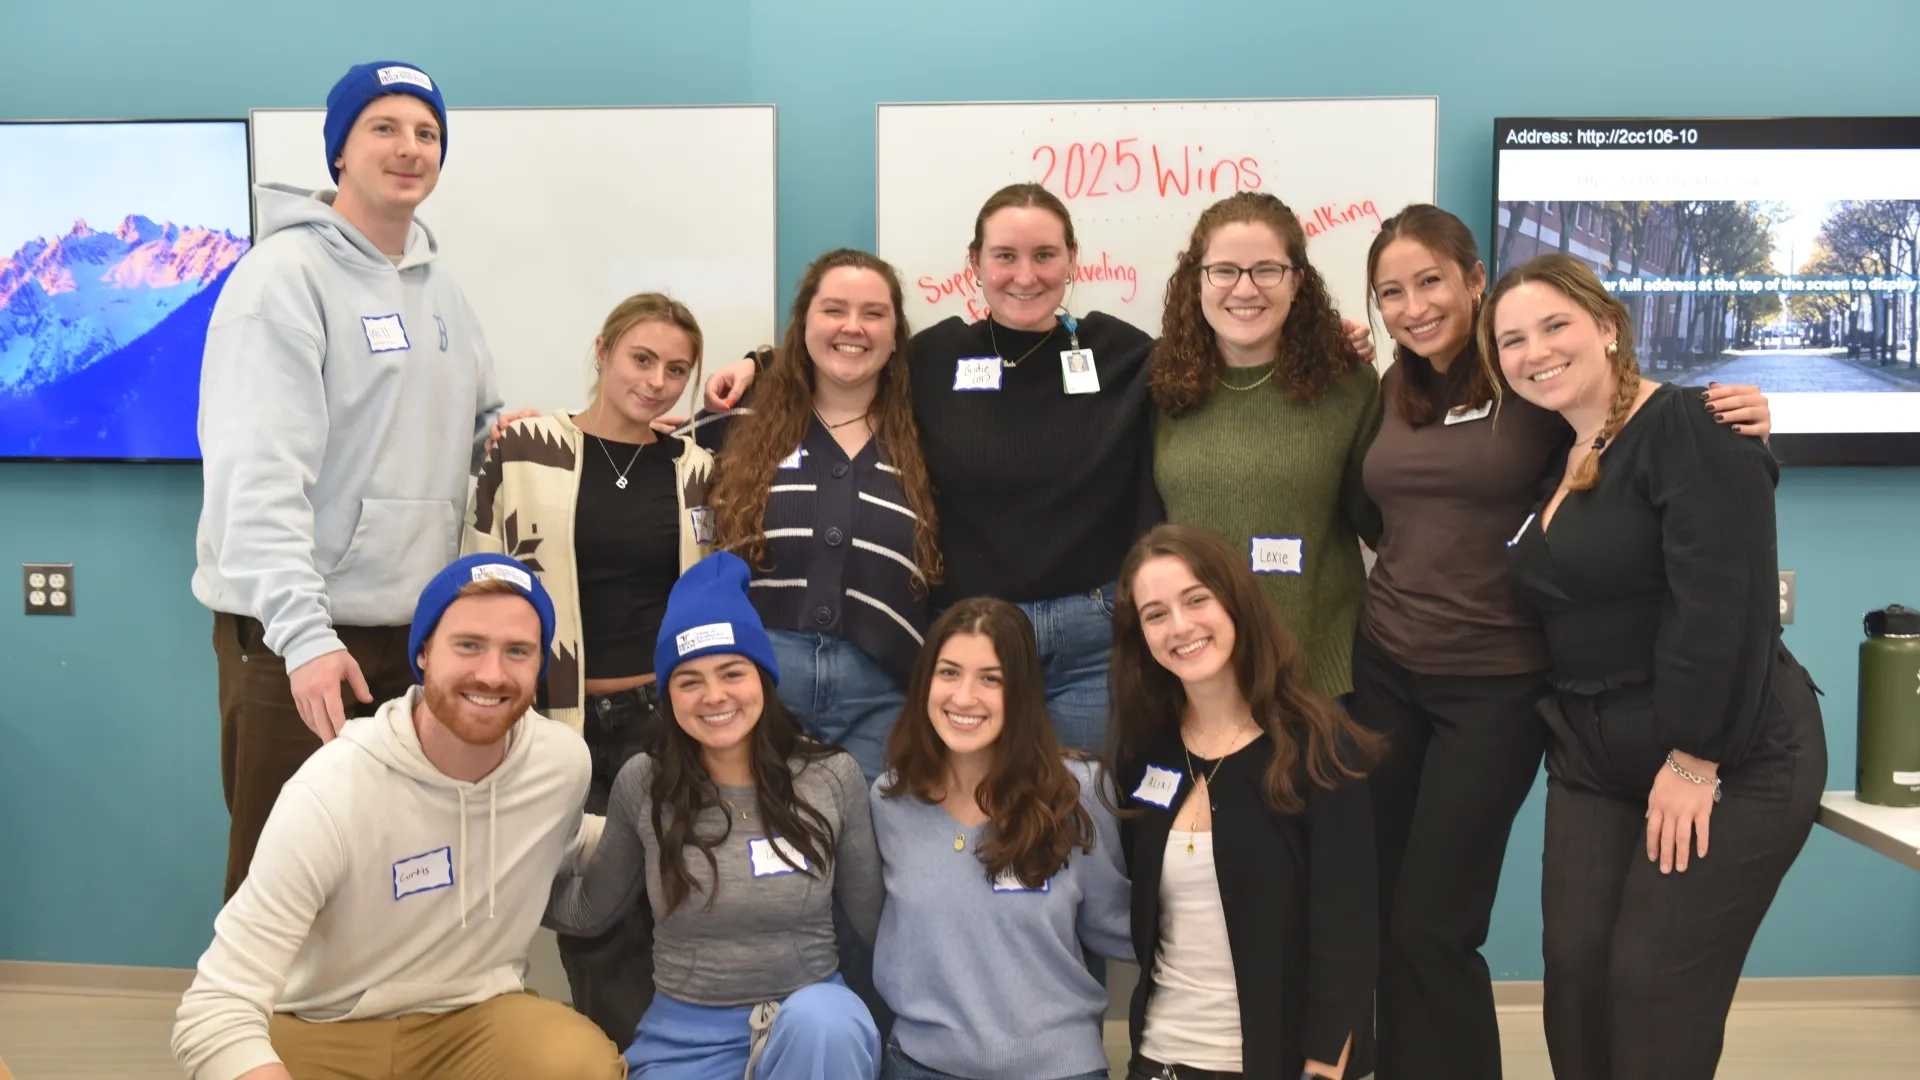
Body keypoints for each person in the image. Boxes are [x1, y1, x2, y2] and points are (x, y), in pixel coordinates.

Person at [704, 185, 1375, 753]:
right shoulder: (933, 359)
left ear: (1072, 261)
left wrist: (1323, 338)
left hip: (1094, 641)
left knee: (1089, 822)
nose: (1025, 274)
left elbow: (1232, 336)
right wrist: (762, 363)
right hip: (975, 639)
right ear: (976, 262)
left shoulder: (1125, 354)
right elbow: (848, 352)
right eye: (1005, 256)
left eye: (1045, 255)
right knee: (985, 819)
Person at [1353, 205, 1775, 1080]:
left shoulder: (1526, 390)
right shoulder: (1392, 390)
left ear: (1474, 278)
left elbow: (1637, 431)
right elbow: (1368, 510)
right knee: (1383, 909)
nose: (1413, 305)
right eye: (1391, 290)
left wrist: (1751, 428)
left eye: (1431, 280)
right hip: (1389, 668)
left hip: (1496, 685)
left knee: (1435, 922)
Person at [1488, 254, 1824, 1080]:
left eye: (1555, 325)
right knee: (1573, 983)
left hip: (1726, 750)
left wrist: (1696, 757)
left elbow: (1727, 601)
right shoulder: (1554, 455)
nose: (1536, 351)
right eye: (1512, 340)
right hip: (1594, 756)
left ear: (1608, 326)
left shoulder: (1692, 425)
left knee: (1649, 991)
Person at [193, 60, 503, 899]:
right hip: (301, 644)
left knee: (396, 880)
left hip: (412, 640)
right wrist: (306, 639)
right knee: (285, 887)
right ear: (339, 151)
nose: (409, 149)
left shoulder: (444, 291)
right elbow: (255, 480)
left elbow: (480, 428)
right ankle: (258, 1035)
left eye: (427, 133)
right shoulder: (280, 280)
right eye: (385, 128)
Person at [171, 554, 623, 1080]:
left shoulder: (559, 765)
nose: (492, 673)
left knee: (579, 1064)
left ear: (539, 666)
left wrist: (669, 831)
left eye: (517, 651)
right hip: (322, 1025)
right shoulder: (332, 792)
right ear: (425, 653)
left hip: (473, 1023)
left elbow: (564, 841)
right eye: (469, 645)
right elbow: (213, 1005)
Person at [465, 292, 716, 1045]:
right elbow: (476, 582)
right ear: (603, 351)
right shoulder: (524, 448)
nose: (658, 382)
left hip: (659, 722)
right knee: (589, 918)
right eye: (642, 359)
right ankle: (617, 1059)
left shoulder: (695, 469)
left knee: (668, 902)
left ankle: (666, 1060)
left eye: (677, 369)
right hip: (555, 726)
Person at [547, 551, 883, 1080]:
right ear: (668, 695)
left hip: (812, 1031)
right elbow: (590, 910)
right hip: (685, 1040)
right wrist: (498, 878)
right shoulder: (645, 781)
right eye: (690, 681)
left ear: (763, 679)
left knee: (828, 1020)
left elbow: (876, 921)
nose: (715, 696)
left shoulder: (830, 776)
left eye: (732, 672)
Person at [1110, 524, 1381, 1080]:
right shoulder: (1145, 754)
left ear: (1235, 601)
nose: (1180, 627)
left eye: (1196, 600)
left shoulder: (1317, 747)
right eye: (1155, 614)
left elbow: (1347, 935)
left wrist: (1324, 1068)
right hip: (1158, 1058)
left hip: (1269, 1063)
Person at [701, 250, 940, 785]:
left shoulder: (930, 431)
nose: (853, 327)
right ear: (803, 324)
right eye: (833, 309)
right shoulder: (739, 416)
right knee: (748, 852)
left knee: (862, 861)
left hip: (882, 697)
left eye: (874, 314)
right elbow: (643, 456)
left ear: (897, 333)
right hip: (753, 684)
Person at [870, 597, 1130, 1080]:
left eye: (991, 679)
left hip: (1059, 1069)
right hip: (919, 1066)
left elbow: (1121, 927)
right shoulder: (890, 799)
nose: (964, 697)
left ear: (1023, 694)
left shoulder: (1077, 791)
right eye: (948, 673)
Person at [1151, 191, 1381, 700]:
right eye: (1225, 270)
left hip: (1319, 674)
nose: (1245, 288)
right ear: (1197, 280)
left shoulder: (1347, 386)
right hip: (1192, 676)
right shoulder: (1160, 389)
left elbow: (1383, 519)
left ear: (1297, 281)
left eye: (1267, 270)